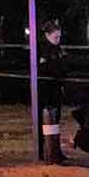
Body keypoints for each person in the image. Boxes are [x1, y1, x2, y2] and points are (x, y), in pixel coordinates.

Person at [38, 19, 67, 162]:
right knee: (45, 122)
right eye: (56, 37)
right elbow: (45, 71)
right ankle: (43, 151)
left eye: (60, 37)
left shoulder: (57, 48)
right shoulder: (43, 49)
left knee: (55, 122)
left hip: (55, 90)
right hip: (46, 92)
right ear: (47, 35)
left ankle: (55, 151)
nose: (58, 39)